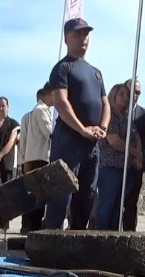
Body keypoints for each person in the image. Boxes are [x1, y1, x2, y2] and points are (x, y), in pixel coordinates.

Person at [44, 17, 108, 230]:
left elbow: (105, 103)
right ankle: (51, 241)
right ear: (66, 38)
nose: (83, 38)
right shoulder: (62, 68)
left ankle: (77, 241)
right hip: (69, 138)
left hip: (92, 143)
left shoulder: (96, 72)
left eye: (86, 34)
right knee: (61, 194)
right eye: (78, 34)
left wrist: (103, 128)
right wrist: (82, 129)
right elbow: (61, 103)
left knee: (87, 195)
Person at [94, 83, 145, 231]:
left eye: (127, 95)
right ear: (113, 95)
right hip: (110, 167)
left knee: (118, 205)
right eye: (121, 94)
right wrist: (136, 153)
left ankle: (114, 237)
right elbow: (115, 142)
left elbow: (137, 138)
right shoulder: (109, 115)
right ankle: (102, 236)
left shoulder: (127, 118)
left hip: (125, 167)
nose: (125, 97)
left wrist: (137, 157)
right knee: (107, 203)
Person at [18, 86, 54, 232]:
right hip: (38, 158)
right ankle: (32, 225)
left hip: (36, 157)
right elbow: (50, 133)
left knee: (36, 194)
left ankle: (31, 225)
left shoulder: (40, 111)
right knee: (37, 195)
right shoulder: (40, 111)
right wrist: (23, 161)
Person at [120, 79, 145, 231]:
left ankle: (129, 233)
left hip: (137, 163)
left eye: (138, 92)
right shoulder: (115, 110)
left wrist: (134, 155)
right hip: (116, 161)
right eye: (131, 90)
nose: (134, 95)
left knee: (131, 201)